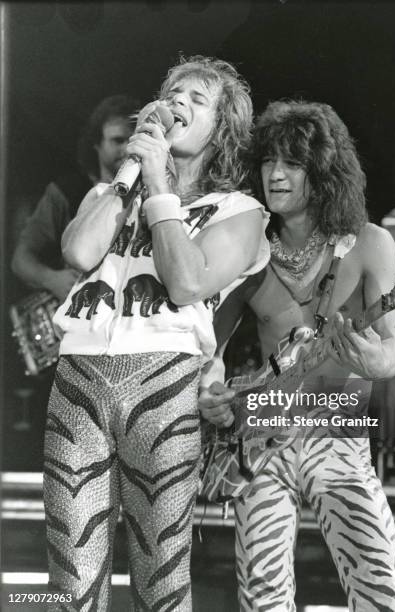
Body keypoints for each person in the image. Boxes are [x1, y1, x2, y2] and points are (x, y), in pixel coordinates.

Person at [43, 56, 269, 611]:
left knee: (160, 575)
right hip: (79, 379)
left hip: (164, 387)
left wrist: (162, 187)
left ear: (223, 127)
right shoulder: (109, 194)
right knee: (69, 575)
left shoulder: (239, 212)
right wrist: (127, 182)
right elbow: (76, 252)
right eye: (170, 92)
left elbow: (188, 282)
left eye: (195, 98)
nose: (175, 104)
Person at [199, 100, 395, 611]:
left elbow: (392, 348)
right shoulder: (248, 251)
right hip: (262, 435)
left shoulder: (369, 244)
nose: (275, 174)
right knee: (263, 596)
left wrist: (369, 361)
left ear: (323, 170)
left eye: (292, 163)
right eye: (269, 161)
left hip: (338, 434)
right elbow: (212, 352)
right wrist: (212, 394)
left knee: (381, 588)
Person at [11, 94, 139, 302]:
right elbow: (21, 260)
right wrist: (52, 279)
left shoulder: (149, 192)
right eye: (118, 140)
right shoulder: (64, 192)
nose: (127, 149)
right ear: (96, 143)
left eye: (132, 140)